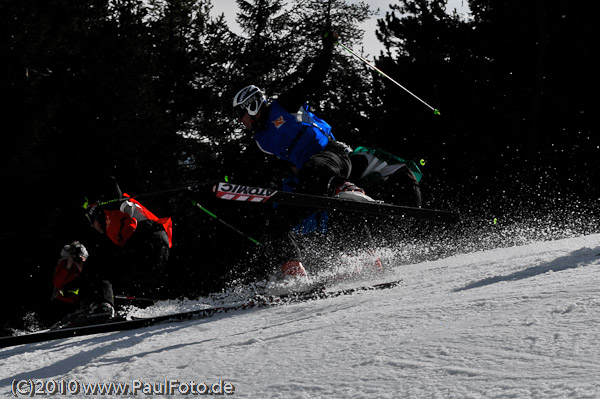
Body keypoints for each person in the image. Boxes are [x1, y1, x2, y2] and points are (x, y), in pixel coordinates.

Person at [232, 31, 375, 279]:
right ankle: (295, 273)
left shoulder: (284, 104)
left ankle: (347, 189)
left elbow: (314, 79)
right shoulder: (260, 141)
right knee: (276, 224)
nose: (239, 121)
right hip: (311, 180)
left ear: (251, 106)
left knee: (316, 170)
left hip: (333, 156)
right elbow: (256, 169)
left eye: (240, 114)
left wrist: (328, 47)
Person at [57, 177, 172, 325]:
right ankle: (90, 307)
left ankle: (103, 307)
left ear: (97, 214)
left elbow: (111, 182)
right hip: (149, 256)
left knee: (101, 269)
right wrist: (75, 286)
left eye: (91, 221)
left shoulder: (114, 207)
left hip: (151, 247)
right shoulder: (113, 229)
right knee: (98, 269)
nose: (92, 226)